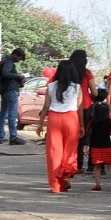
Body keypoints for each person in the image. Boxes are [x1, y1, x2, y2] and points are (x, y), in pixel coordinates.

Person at [35, 60, 84, 194]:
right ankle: (66, 175)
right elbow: (80, 109)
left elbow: (45, 107)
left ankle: (55, 186)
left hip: (54, 119)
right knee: (69, 151)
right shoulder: (77, 88)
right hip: (71, 119)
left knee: (54, 153)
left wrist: (40, 124)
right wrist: (82, 126)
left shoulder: (51, 86)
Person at [86, 86, 111, 192]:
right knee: (110, 166)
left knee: (97, 167)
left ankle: (97, 184)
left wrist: (88, 146)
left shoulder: (93, 123)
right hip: (107, 147)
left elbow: (90, 135)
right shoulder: (108, 122)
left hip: (96, 148)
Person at [0, 47, 27, 146]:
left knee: (3, 113)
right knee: (12, 114)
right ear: (15, 55)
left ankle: (1, 137)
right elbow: (6, 73)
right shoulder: (9, 62)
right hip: (10, 90)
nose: (19, 60)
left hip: (5, 91)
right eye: (19, 58)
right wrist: (18, 76)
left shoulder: (4, 61)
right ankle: (13, 137)